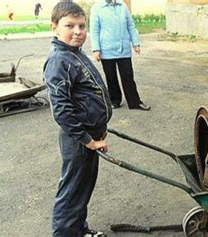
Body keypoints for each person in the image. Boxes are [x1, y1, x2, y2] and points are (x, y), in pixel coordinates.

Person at [43, 2, 111, 236]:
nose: (78, 31)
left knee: (82, 188)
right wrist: (87, 139)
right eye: (69, 25)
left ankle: (78, 230)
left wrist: (100, 130)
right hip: (78, 139)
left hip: (91, 134)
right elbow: (61, 110)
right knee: (72, 190)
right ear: (54, 28)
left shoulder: (75, 54)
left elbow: (89, 95)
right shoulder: (58, 60)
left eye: (82, 26)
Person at [89, 0, 150, 111]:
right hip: (106, 49)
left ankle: (135, 102)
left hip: (124, 49)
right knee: (111, 77)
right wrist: (96, 49)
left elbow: (130, 25)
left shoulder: (122, 6)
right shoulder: (97, 8)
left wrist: (135, 43)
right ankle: (115, 101)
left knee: (128, 76)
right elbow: (94, 30)